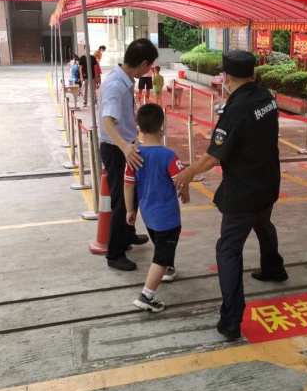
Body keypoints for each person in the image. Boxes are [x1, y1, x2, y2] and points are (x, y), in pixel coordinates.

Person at [174, 50, 287, 340]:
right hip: (268, 181)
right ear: (253, 74)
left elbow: (213, 156)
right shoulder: (265, 97)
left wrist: (186, 174)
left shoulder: (235, 111)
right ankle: (273, 268)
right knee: (263, 222)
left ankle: (231, 319)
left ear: (225, 77)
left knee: (228, 250)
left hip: (244, 191)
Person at [99, 38, 159, 271]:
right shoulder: (115, 85)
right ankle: (115, 253)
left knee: (132, 195)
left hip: (126, 145)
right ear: (143, 64)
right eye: (150, 65)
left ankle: (128, 233)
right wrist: (125, 147)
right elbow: (107, 122)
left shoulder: (124, 80)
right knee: (122, 201)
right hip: (116, 149)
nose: (150, 69)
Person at [124, 103, 190, 312]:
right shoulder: (168, 156)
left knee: (161, 245)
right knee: (161, 255)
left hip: (148, 215)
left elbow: (128, 184)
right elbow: (180, 179)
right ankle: (147, 295)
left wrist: (130, 209)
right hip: (167, 217)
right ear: (162, 126)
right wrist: (185, 191)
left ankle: (168, 269)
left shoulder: (134, 156)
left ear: (138, 127)